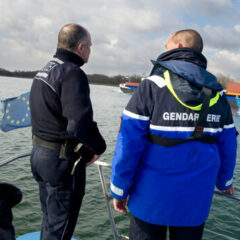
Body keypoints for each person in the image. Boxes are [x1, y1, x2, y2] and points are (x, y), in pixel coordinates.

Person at [110, 29, 237, 240]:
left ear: (178, 47)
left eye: (166, 45)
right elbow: (229, 145)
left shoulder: (152, 85)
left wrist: (119, 190)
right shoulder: (218, 93)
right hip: (195, 204)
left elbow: (128, 145)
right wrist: (224, 183)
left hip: (150, 201)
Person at [29, 23, 106, 240]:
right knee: (60, 228)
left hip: (39, 155)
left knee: (50, 220)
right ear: (81, 47)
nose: (90, 50)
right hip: (60, 162)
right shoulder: (72, 73)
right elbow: (79, 123)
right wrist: (99, 148)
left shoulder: (45, 70)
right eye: (90, 46)